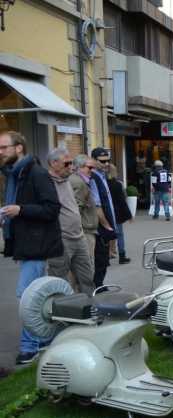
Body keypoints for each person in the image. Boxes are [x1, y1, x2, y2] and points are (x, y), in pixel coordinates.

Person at [0, 131, 63, 365]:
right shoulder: (15, 175)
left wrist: (21, 210)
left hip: (37, 245)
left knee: (28, 297)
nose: (0, 152)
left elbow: (52, 209)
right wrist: (9, 215)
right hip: (27, 244)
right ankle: (45, 338)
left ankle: (31, 346)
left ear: (19, 148)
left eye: (4, 147)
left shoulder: (35, 173)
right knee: (37, 296)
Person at [45, 148, 94, 294]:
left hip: (79, 237)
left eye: (71, 163)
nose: (71, 167)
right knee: (59, 279)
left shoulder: (68, 179)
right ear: (54, 163)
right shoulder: (46, 182)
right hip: (61, 238)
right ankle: (60, 312)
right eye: (66, 164)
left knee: (87, 277)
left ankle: (89, 308)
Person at [89, 149, 118, 288]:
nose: (106, 164)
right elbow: (97, 205)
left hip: (106, 222)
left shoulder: (102, 175)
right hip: (99, 225)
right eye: (102, 161)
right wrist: (107, 225)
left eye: (108, 160)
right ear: (93, 160)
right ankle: (97, 286)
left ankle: (99, 284)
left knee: (103, 258)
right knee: (100, 258)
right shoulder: (93, 177)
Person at [103, 156, 133, 264]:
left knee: (106, 235)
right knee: (119, 235)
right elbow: (122, 201)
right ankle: (122, 256)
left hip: (105, 213)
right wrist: (129, 215)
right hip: (116, 214)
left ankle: (106, 258)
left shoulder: (102, 183)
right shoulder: (117, 184)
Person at [72, 155, 100, 265]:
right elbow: (76, 209)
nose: (92, 171)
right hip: (84, 231)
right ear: (80, 167)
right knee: (86, 266)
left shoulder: (84, 181)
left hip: (86, 229)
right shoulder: (78, 183)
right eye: (90, 168)